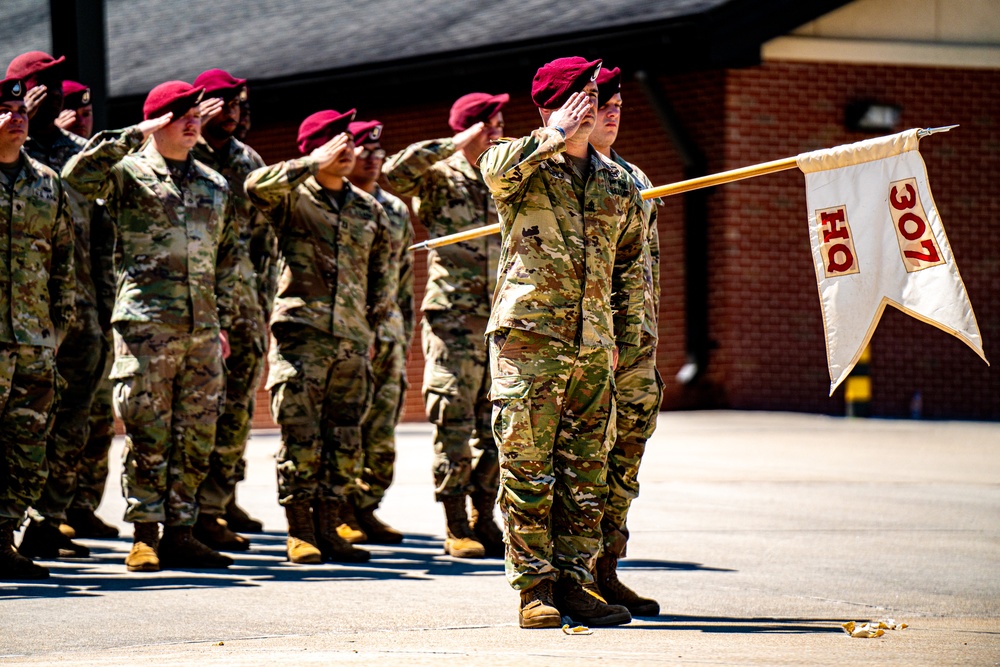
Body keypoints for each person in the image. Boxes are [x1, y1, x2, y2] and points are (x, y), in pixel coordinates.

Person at [479, 56, 646, 628]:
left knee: (585, 472)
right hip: (530, 344)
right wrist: (552, 134)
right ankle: (534, 592)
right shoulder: (523, 166)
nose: (596, 109)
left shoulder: (618, 181)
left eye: (600, 99)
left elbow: (627, 270)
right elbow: (492, 170)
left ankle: (577, 585)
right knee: (527, 468)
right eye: (586, 97)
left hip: (594, 349)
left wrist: (624, 342)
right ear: (558, 103)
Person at [63, 80, 239, 572]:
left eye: (194, 114)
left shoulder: (214, 183)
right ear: (156, 121)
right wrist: (136, 132)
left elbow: (222, 260)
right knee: (147, 431)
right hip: (145, 325)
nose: (190, 121)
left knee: (197, 433)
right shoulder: (127, 173)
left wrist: (219, 320)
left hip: (201, 328)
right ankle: (144, 533)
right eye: (177, 114)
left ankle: (181, 532)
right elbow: (77, 177)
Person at [245, 109, 394, 565]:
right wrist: (310, 163)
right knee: (301, 437)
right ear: (315, 147)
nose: (348, 149)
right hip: (302, 338)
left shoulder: (368, 208)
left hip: (351, 340)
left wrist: (375, 326)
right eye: (337, 142)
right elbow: (254, 186)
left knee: (345, 439)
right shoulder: (292, 198)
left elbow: (379, 274)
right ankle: (301, 532)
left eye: (350, 141)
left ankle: (330, 528)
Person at [382, 92, 509, 559]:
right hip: (453, 315)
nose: (497, 131)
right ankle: (456, 523)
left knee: (496, 424)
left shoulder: (506, 174)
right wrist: (455, 143)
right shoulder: (437, 176)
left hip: (501, 316)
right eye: (489, 124)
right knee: (452, 417)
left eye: (499, 124)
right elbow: (395, 173)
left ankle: (485, 516)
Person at [6, 51, 107, 559]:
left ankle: (50, 521)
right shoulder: (13, 143)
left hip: (73, 313)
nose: (48, 94)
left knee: (67, 421)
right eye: (37, 85)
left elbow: (99, 239)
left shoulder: (74, 156)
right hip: (17, 318)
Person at [588, 66, 662, 616]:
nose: (612, 114)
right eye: (601, 105)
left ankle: (605, 569)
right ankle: (570, 574)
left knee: (624, 460)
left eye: (618, 107)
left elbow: (645, 268)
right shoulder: (559, 173)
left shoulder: (635, 178)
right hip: (592, 339)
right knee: (583, 458)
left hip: (638, 344)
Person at [0, 75, 76, 579]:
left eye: (20, 108)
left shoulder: (46, 182)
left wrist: (58, 327)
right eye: (3, 110)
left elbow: (64, 261)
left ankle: (2, 538)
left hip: (32, 339)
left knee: (27, 446)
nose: (16, 115)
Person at [190, 68, 268, 551]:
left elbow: (263, 237)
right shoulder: (184, 152)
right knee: (199, 410)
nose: (233, 111)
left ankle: (219, 500)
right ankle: (193, 509)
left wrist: (259, 298)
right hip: (193, 301)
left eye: (237, 103)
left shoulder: (247, 159)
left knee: (237, 409)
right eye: (223, 103)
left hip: (242, 302)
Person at [340, 119, 414, 544]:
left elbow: (402, 277)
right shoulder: (333, 203)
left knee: (382, 428)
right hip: (348, 334)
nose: (371, 159)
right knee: (348, 426)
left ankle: (366, 507)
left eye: (377, 152)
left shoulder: (397, 210)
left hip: (388, 334)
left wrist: (399, 332)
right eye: (363, 151)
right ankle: (340, 510)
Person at [55, 77, 120, 540]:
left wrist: (105, 305)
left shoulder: (96, 165)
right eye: (72, 111)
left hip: (88, 308)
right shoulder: (36, 157)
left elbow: (103, 243)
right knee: (46, 417)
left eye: (88, 111)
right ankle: (47, 513)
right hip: (40, 313)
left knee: (95, 416)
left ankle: (81, 506)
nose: (83, 119)